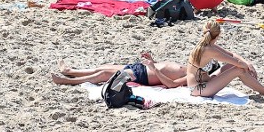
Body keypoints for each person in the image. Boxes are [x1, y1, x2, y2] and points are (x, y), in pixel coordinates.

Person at [186, 20, 264, 99]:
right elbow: (238, 63)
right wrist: (247, 67)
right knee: (239, 70)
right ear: (218, 35)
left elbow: (232, 55)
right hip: (198, 89)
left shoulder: (206, 45)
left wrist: (248, 63)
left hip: (206, 82)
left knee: (235, 66)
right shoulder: (209, 50)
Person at [52, 52, 193, 88]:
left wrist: (154, 68)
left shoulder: (191, 76)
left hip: (141, 76)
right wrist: (153, 61)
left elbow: (171, 84)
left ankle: (67, 81)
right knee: (104, 67)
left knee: (104, 75)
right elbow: (166, 69)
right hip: (142, 67)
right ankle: (69, 71)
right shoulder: (190, 68)